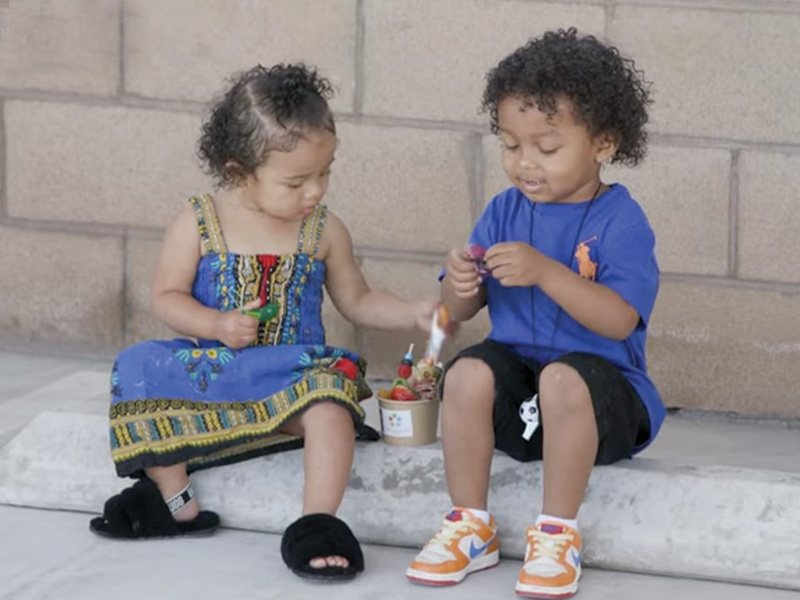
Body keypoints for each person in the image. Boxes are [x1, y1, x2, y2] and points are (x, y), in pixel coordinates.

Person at [88, 63, 436, 582]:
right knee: (137, 365)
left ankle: (318, 521)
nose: (314, 191)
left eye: (325, 172)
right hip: (219, 372)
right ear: (238, 172)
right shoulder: (200, 220)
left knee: (329, 403)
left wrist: (412, 311)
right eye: (296, 181)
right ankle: (173, 497)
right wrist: (213, 323)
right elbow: (166, 296)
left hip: (290, 379)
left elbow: (358, 300)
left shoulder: (323, 230)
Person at [406, 28, 664, 599]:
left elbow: (621, 321)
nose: (525, 163)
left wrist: (547, 272)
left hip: (603, 405)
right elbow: (458, 312)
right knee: (469, 370)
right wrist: (462, 281)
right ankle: (470, 524)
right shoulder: (503, 211)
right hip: (524, 407)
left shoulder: (622, 221)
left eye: (546, 148)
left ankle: (557, 534)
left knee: (564, 376)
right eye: (510, 144)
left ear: (603, 143)